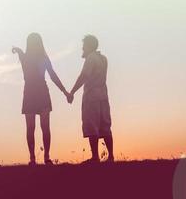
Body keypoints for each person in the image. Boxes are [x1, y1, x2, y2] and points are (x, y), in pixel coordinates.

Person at [12, 33, 70, 166]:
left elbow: (52, 75)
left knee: (37, 127)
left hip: (36, 92)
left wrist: (64, 91)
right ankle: (39, 157)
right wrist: (65, 92)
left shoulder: (36, 57)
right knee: (38, 127)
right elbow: (53, 75)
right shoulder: (32, 57)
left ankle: (40, 157)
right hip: (36, 92)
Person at [67, 35, 114, 163]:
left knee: (92, 126)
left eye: (84, 45)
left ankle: (95, 157)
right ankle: (111, 157)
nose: (82, 48)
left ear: (89, 46)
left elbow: (84, 76)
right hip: (103, 97)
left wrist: (72, 92)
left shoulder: (90, 58)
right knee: (105, 126)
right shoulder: (103, 59)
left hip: (92, 97)